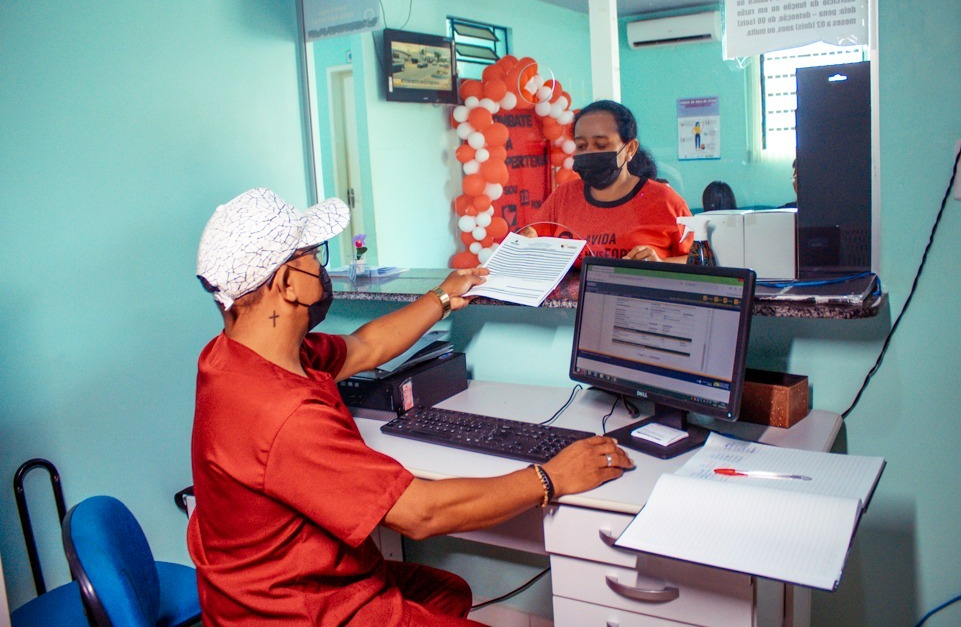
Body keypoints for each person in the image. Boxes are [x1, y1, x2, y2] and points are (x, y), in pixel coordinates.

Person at [189, 188, 634, 626]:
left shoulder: (233, 356)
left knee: (449, 591)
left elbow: (365, 346)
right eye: (313, 255)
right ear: (286, 283)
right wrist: (550, 477)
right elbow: (422, 513)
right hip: (299, 610)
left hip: (274, 585)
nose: (320, 268)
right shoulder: (283, 413)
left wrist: (443, 298)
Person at [522, 100, 693, 262]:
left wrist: (660, 265)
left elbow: (702, 262)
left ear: (630, 149)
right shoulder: (563, 197)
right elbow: (533, 240)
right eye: (581, 146)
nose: (590, 153)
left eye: (601, 145)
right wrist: (525, 242)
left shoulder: (666, 202)